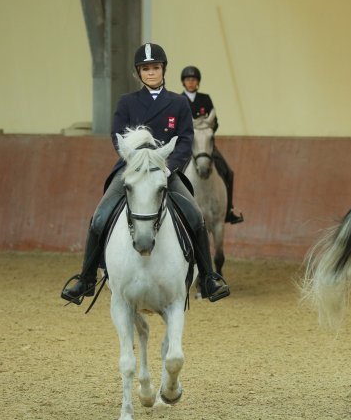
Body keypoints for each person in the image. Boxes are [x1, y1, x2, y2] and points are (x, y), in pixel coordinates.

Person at [61, 43, 230, 304]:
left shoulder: (178, 103)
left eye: (155, 68)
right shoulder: (127, 102)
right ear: (138, 73)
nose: (151, 73)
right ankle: (86, 279)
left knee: (196, 216)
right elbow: (117, 135)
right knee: (99, 217)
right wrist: (134, 160)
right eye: (145, 69)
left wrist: (169, 166)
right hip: (132, 169)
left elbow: (185, 140)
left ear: (163, 70)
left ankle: (208, 278)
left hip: (166, 171)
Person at [180, 65, 244, 224]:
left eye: (194, 80)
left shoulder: (205, 99)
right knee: (172, 172)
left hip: (206, 146)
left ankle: (229, 209)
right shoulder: (178, 100)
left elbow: (216, 123)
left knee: (228, 171)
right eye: (188, 79)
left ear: (198, 82)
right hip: (187, 146)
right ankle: (171, 208)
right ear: (183, 82)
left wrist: (207, 129)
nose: (191, 82)